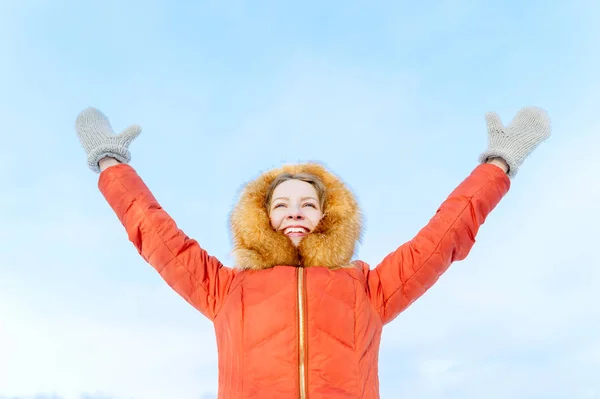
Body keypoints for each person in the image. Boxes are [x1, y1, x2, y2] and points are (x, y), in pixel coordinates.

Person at [75, 106, 551, 399]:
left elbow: (441, 239)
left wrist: (497, 166)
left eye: (308, 203)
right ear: (262, 217)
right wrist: (111, 165)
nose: (295, 212)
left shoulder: (370, 288)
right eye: (281, 204)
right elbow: (156, 234)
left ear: (328, 215)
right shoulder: (227, 290)